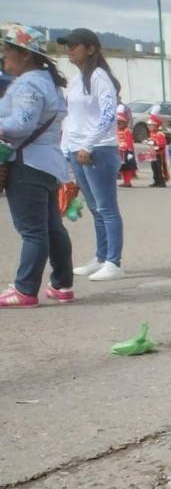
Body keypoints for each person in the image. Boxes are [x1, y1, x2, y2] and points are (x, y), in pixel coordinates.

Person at [0, 25, 72, 308]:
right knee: (52, 227)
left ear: (25, 55)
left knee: (32, 230)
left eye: (7, 52)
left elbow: (22, 124)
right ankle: (62, 284)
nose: (4, 57)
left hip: (27, 163)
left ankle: (24, 289)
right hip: (47, 163)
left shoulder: (29, 84)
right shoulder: (47, 81)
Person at [59, 27, 126, 282]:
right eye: (68, 46)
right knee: (95, 207)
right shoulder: (76, 80)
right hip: (77, 149)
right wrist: (67, 149)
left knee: (107, 207)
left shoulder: (99, 77)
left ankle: (114, 261)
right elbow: (71, 118)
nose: (70, 50)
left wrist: (88, 144)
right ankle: (101, 256)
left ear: (90, 48)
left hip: (98, 149)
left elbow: (109, 114)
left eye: (74, 45)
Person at [145, 112, 168, 187]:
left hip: (159, 154)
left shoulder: (160, 134)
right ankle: (156, 181)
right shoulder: (151, 133)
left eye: (151, 125)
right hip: (153, 154)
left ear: (156, 125)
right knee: (154, 168)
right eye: (149, 125)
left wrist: (154, 143)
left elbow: (162, 144)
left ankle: (162, 182)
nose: (149, 126)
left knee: (159, 168)